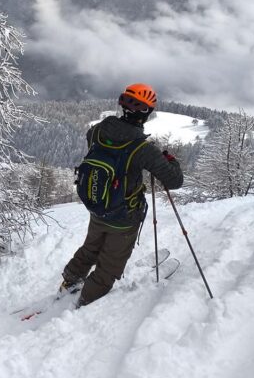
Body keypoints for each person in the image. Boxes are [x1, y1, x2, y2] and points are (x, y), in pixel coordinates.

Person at [62, 83, 184, 306]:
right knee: (110, 263)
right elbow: (175, 180)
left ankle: (69, 281)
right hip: (124, 216)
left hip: (97, 206)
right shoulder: (142, 148)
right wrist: (169, 160)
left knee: (91, 247)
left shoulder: (96, 131)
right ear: (146, 112)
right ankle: (85, 300)